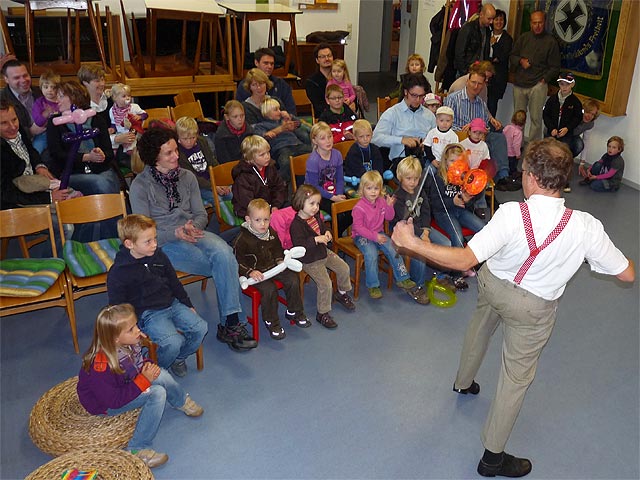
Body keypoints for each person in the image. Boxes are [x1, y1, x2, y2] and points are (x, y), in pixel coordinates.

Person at [391, 137, 634, 478]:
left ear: (532, 176)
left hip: (493, 286)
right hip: (533, 310)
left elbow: (465, 259)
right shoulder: (585, 227)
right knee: (514, 379)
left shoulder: (510, 213)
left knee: (479, 327)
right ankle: (491, 459)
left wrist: (412, 243)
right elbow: (626, 273)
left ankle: (463, 382)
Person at [130, 127, 257, 352]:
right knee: (223, 264)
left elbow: (200, 214)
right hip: (161, 242)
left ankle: (230, 323)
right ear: (154, 157)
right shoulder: (140, 185)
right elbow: (142, 230)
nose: (176, 156)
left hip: (193, 232)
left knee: (224, 254)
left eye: (175, 150)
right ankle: (233, 323)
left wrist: (192, 228)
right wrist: (175, 234)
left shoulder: (187, 177)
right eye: (168, 153)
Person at [77, 304, 204, 468]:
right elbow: (114, 401)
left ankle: (180, 400)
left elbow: (138, 362)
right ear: (115, 339)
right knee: (157, 393)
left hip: (124, 383)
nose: (138, 330)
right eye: (131, 329)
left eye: (136, 325)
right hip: (104, 404)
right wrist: (144, 379)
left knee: (161, 374)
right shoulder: (100, 366)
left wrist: (148, 368)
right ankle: (138, 448)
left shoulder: (127, 344)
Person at [107, 214, 208, 376]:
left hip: (172, 304)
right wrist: (133, 327)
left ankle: (178, 358)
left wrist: (187, 304)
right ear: (129, 244)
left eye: (155, 238)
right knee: (173, 342)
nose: (154, 244)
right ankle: (156, 370)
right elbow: (117, 306)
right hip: (148, 315)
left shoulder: (159, 255)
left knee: (201, 328)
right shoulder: (119, 272)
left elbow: (174, 282)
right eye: (148, 241)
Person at [233, 198, 310, 340]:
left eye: (266, 220)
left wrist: (280, 260)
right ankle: (272, 321)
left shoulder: (271, 233)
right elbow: (236, 262)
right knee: (270, 290)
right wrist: (250, 271)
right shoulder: (242, 239)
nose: (263, 224)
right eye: (258, 220)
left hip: (273, 267)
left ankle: (294, 311)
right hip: (256, 274)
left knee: (293, 279)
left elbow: (277, 250)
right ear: (248, 219)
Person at [290, 184, 355, 328]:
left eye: (317, 204)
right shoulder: (296, 225)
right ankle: (322, 313)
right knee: (325, 284)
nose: (315, 207)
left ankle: (341, 293)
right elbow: (299, 245)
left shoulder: (316, 216)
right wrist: (315, 239)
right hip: (310, 260)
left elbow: (324, 226)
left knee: (344, 268)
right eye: (311, 203)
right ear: (300, 203)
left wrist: (327, 232)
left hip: (323, 252)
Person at [390, 156, 451, 304]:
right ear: (400, 177)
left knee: (446, 243)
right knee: (420, 253)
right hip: (405, 232)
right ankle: (417, 285)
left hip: (422, 229)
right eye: (408, 178)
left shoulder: (420, 191)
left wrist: (426, 231)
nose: (413, 182)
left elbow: (425, 212)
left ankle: (441, 274)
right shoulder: (398, 197)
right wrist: (421, 235)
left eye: (416, 178)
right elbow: (402, 221)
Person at [444, 70, 516, 191]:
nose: (476, 86)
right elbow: (446, 123)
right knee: (485, 147)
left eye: (479, 84)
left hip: (479, 136)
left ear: (483, 85)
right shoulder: (453, 99)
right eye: (473, 82)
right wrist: (466, 131)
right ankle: (482, 184)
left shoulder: (481, 104)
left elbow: (486, 125)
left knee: (498, 137)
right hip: (460, 137)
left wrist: (483, 131)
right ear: (467, 82)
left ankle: (503, 176)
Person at [47, 80, 121, 196]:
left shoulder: (96, 119)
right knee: (102, 184)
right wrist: (86, 157)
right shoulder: (54, 123)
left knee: (112, 182)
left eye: (61, 96)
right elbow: (57, 155)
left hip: (100, 169)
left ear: (74, 97)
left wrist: (101, 154)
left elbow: (109, 153)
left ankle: (120, 211)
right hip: (72, 173)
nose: (57, 101)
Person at [426, 143, 484, 288]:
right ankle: (457, 274)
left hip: (460, 211)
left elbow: (470, 205)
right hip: (443, 212)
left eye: (459, 161)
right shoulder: (439, 178)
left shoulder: (466, 177)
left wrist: (469, 198)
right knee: (457, 236)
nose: (456, 164)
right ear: (445, 161)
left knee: (484, 229)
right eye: (452, 160)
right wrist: (453, 201)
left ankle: (475, 261)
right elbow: (435, 203)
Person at [352, 170, 416, 299]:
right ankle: (373, 285)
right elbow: (358, 228)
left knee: (393, 248)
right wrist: (375, 237)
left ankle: (403, 278)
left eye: (376, 188)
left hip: (378, 233)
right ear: (362, 189)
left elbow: (390, 216)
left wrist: (389, 206)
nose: (373, 192)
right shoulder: (358, 208)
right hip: (361, 236)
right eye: (369, 188)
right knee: (371, 254)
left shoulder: (381, 201)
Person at [1, 100, 71, 210]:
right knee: (66, 221)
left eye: (14, 120)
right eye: (4, 123)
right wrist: (49, 198)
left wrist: (39, 165)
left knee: (73, 200)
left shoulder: (19, 132)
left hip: (35, 186)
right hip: (18, 203)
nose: (13, 126)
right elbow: (6, 193)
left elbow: (31, 151)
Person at [510, 10, 561, 142]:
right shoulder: (523, 38)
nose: (537, 26)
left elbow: (555, 67)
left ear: (545, 23)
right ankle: (516, 144)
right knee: (518, 118)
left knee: (536, 119)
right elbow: (512, 56)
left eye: (540, 23)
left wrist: (544, 80)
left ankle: (533, 148)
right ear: (530, 24)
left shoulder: (551, 42)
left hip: (538, 85)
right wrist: (521, 61)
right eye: (534, 23)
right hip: (520, 84)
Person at [372, 73, 436, 167]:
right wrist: (401, 140)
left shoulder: (429, 115)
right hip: (400, 163)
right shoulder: (392, 113)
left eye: (421, 96)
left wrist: (427, 143)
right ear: (406, 92)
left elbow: (437, 137)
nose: (418, 100)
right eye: (414, 95)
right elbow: (375, 138)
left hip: (424, 160)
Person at [253, 98, 311, 182]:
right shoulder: (261, 125)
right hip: (281, 148)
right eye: (276, 110)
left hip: (296, 144)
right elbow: (260, 138)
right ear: (267, 113)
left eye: (279, 109)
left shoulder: (284, 119)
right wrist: (280, 129)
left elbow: (299, 123)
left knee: (315, 153)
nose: (279, 111)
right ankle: (281, 183)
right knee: (285, 162)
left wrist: (290, 117)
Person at [304, 122, 348, 232]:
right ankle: (334, 235)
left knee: (352, 208)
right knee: (337, 212)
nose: (328, 141)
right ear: (315, 141)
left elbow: (339, 178)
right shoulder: (313, 160)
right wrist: (333, 198)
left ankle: (335, 233)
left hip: (332, 190)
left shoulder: (337, 154)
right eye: (323, 138)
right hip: (315, 194)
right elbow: (313, 186)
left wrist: (339, 194)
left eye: (330, 136)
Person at [231, 135, 287, 218]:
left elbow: (279, 187)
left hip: (269, 207)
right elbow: (247, 202)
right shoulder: (243, 176)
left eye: (268, 152)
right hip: (251, 212)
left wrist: (276, 205)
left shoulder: (270, 168)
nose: (267, 156)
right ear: (250, 158)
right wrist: (265, 212)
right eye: (262, 155)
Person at [235, 47, 296, 116]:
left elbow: (291, 110)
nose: (269, 67)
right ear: (256, 63)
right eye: (266, 63)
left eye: (272, 64)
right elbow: (239, 112)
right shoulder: (245, 85)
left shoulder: (281, 84)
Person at [0, 59, 44, 140]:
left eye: (25, 75)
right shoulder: (2, 100)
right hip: (23, 144)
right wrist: (30, 131)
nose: (23, 80)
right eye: (17, 77)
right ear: (6, 79)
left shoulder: (41, 92)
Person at [454, 3, 496, 77]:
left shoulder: (488, 31)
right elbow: (459, 53)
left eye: (493, 19)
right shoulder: (468, 28)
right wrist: (465, 73)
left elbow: (485, 52)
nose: (491, 22)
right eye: (489, 19)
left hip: (480, 72)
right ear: (481, 14)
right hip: (466, 71)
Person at [109, 82, 147, 157]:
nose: (127, 98)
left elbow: (145, 114)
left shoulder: (134, 107)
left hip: (132, 131)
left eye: (129, 96)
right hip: (120, 133)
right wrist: (112, 129)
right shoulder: (112, 110)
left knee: (130, 147)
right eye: (124, 96)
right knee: (112, 145)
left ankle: (132, 157)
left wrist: (140, 117)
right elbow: (114, 124)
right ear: (115, 98)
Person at [487, 9, 513, 116]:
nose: (499, 22)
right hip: (484, 75)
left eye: (501, 20)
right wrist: (493, 59)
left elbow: (501, 57)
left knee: (492, 106)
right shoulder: (487, 34)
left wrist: (494, 44)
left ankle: (489, 130)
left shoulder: (507, 39)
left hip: (497, 79)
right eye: (496, 19)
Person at [214, 100, 255, 165]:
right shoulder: (221, 136)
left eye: (242, 115)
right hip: (230, 168)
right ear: (227, 117)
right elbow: (224, 161)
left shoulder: (250, 132)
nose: (240, 119)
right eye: (235, 116)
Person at [31, 69, 61, 153]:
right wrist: (45, 114)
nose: (49, 90)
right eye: (46, 87)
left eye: (53, 87)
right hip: (44, 133)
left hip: (60, 132)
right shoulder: (39, 102)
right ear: (41, 88)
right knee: (36, 149)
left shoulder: (61, 101)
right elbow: (38, 122)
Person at [305, 44, 334, 117]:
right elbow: (318, 106)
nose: (327, 59)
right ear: (317, 60)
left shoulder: (340, 77)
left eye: (329, 55)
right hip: (324, 117)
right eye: (323, 57)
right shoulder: (311, 81)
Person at [502, 110, 526, 178]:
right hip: (512, 155)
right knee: (512, 168)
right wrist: (518, 154)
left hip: (505, 151)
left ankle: (505, 175)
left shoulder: (507, 127)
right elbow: (516, 145)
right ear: (524, 122)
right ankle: (511, 177)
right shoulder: (518, 133)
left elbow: (502, 135)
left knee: (506, 165)